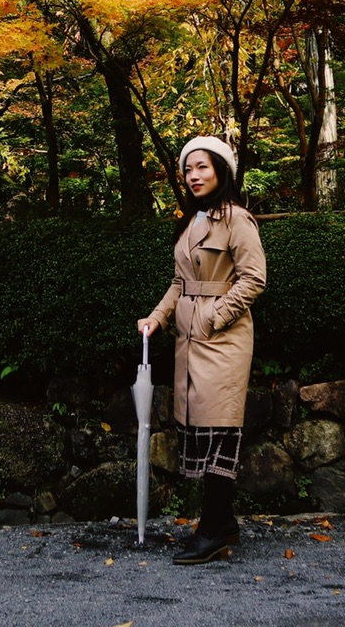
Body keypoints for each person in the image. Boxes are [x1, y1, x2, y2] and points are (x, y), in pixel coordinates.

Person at [137, 136, 266, 565]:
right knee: (197, 428)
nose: (193, 176)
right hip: (188, 342)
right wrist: (157, 318)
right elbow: (179, 283)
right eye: (188, 169)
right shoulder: (192, 221)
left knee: (218, 430)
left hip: (224, 340)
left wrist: (213, 317)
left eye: (202, 167)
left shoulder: (237, 220)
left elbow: (253, 278)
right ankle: (222, 524)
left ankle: (212, 529)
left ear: (222, 171)